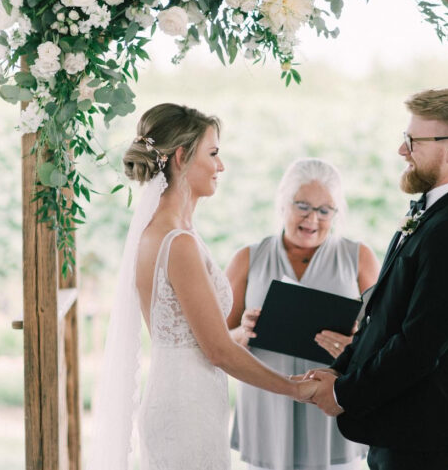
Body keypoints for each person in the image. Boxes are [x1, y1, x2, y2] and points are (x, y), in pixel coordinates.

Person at [87, 103, 316, 470]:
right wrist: (295, 387)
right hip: (186, 412)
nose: (220, 166)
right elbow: (217, 352)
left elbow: (187, 338)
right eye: (213, 153)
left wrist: (240, 334)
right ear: (181, 157)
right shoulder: (177, 242)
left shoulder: (170, 231)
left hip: (186, 400)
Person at [303, 87, 448, 470]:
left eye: (413, 141)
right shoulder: (435, 214)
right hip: (399, 424)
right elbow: (384, 316)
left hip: (425, 431)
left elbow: (419, 344)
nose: (402, 151)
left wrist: (344, 393)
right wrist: (340, 368)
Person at [226, 158, 380, 470]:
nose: (313, 219)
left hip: (330, 405)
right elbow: (218, 341)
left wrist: (355, 345)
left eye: (325, 210)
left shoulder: (358, 257)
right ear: (283, 204)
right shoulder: (247, 258)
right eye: (303, 206)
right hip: (266, 404)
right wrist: (244, 331)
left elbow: (383, 336)